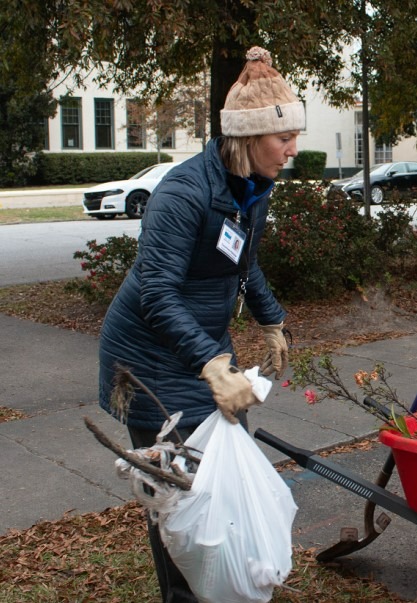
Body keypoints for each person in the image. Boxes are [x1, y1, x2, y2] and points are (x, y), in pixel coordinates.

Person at [97, 46, 302, 602]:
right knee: (178, 496)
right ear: (246, 137)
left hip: (200, 345)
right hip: (146, 361)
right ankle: (184, 595)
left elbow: (243, 259)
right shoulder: (184, 193)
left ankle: (217, 585)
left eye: (294, 137)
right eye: (283, 138)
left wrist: (271, 320)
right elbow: (157, 292)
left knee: (212, 488)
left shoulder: (251, 187)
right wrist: (211, 364)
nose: (292, 149)